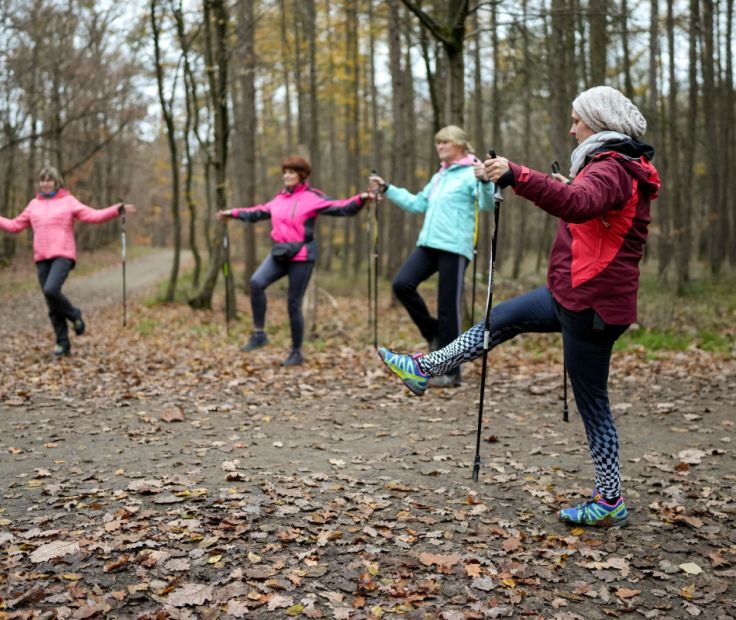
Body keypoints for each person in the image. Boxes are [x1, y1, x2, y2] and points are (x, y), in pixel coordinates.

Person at [378, 86, 661, 527]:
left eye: (576, 119)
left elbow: (581, 203)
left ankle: (610, 499)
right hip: (570, 293)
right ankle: (425, 367)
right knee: (498, 320)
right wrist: (561, 185)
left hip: (593, 305)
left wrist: (518, 174)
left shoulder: (613, 168)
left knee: (593, 404)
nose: (571, 128)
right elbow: (586, 203)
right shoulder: (609, 166)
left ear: (598, 122)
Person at [368, 126, 495, 387]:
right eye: (438, 143)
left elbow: (487, 204)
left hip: (455, 247)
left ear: (459, 144)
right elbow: (417, 204)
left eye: (445, 142)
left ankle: (451, 373)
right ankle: (434, 333)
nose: (440, 147)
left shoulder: (473, 170)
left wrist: (484, 181)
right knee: (401, 284)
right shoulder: (441, 175)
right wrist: (388, 189)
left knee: (448, 309)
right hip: (429, 243)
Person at [218, 156, 372, 367]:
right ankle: (259, 334)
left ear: (301, 175)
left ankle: (296, 352)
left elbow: (342, 208)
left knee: (292, 303)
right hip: (280, 253)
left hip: (302, 256)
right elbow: (257, 212)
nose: (287, 176)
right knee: (256, 283)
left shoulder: (313, 197)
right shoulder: (279, 199)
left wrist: (362, 199)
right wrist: (232, 213)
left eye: (291, 172)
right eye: (285, 172)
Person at [0, 166, 137, 357]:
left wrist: (117, 210)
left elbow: (93, 215)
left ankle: (75, 315)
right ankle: (62, 343)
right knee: (51, 302)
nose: (45, 183)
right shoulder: (33, 205)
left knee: (51, 290)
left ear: (57, 182)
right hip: (42, 258)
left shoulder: (68, 201)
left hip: (63, 255)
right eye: (42, 180)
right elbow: (13, 225)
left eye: (49, 180)